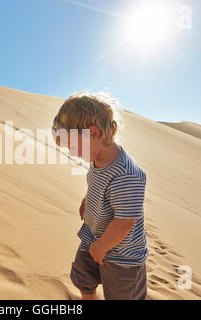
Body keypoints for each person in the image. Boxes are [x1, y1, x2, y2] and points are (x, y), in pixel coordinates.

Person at [51, 93, 148, 300]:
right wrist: (88, 199)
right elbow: (97, 183)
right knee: (82, 276)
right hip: (94, 236)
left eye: (73, 146)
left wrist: (100, 248)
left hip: (122, 255)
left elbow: (125, 222)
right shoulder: (98, 158)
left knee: (122, 296)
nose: (72, 153)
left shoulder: (126, 174)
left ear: (93, 134)